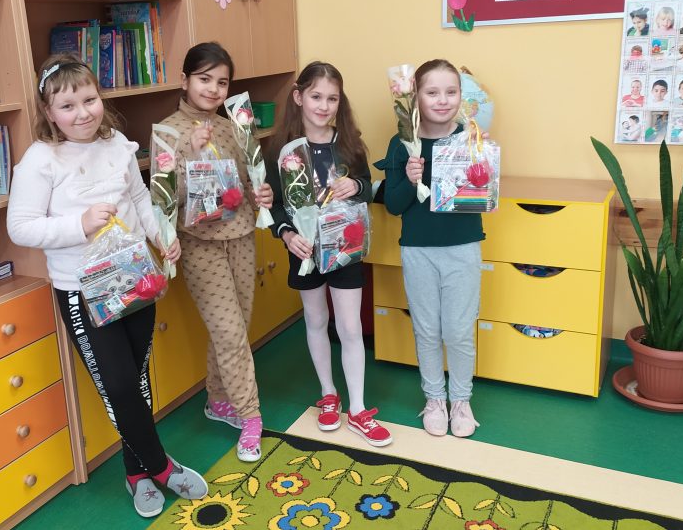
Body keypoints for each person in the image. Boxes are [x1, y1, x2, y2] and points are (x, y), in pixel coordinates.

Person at [6, 54, 207, 518]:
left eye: (89, 100)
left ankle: (136, 473)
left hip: (134, 277)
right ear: (48, 111)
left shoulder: (116, 143)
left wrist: (161, 236)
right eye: (67, 105)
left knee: (136, 379)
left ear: (101, 99)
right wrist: (79, 223)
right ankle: (162, 466)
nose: (82, 113)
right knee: (117, 384)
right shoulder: (40, 160)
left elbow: (139, 198)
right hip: (82, 290)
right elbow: (21, 227)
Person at [157, 42, 275, 462]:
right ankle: (251, 416)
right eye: (204, 79)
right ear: (184, 80)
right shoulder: (167, 132)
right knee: (228, 332)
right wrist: (189, 151)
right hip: (198, 243)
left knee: (237, 326)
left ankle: (217, 399)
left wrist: (260, 194)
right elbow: (164, 199)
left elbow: (245, 182)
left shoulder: (233, 126)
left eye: (221, 82)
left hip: (241, 235)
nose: (212, 89)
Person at [264, 62, 392, 447]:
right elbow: (274, 206)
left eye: (332, 98)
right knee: (316, 320)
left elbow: (367, 186)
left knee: (349, 327)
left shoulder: (350, 145)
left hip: (345, 250)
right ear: (299, 97)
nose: (324, 106)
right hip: (304, 251)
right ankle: (329, 394)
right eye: (316, 96)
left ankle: (358, 409)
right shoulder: (281, 151)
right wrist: (287, 235)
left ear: (340, 102)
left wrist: (357, 186)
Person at [374, 59, 483, 438]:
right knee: (427, 329)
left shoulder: (470, 137)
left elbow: (480, 193)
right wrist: (408, 178)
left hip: (463, 248)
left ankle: (461, 401)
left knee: (459, 330)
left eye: (451, 92)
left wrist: (482, 169)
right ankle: (435, 399)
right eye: (432, 92)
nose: (442, 100)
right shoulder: (403, 143)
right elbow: (394, 206)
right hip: (418, 249)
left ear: (461, 96)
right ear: (416, 97)